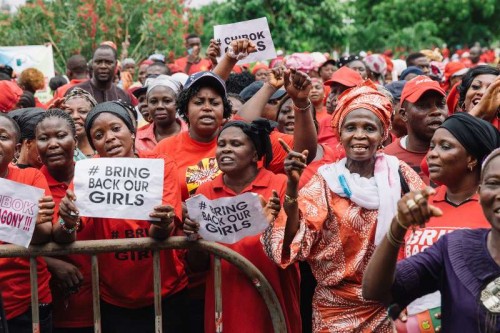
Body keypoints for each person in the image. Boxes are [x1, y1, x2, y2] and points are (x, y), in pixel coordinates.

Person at [262, 81, 425, 332]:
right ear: (340, 133)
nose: (359, 135)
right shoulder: (326, 182)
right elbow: (292, 244)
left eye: (369, 128)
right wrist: (292, 189)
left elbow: (425, 234)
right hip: (335, 311)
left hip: (393, 307)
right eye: (351, 127)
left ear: (383, 134)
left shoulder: (401, 175)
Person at [56, 101, 188, 332]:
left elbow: (160, 233)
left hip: (167, 292)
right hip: (114, 299)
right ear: (94, 144)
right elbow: (68, 233)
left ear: (132, 130)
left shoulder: (161, 165)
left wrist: (163, 222)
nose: (109, 138)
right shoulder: (89, 172)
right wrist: (67, 221)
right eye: (99, 134)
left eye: (116, 129)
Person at [362, 147, 500, 332]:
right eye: (493, 183)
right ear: (481, 193)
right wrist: (398, 227)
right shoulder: (455, 248)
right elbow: (375, 290)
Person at [183, 120, 301, 333]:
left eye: (236, 144)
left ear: (255, 155)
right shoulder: (204, 192)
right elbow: (198, 264)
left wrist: (278, 217)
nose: (226, 149)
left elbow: (293, 242)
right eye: (222, 144)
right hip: (224, 299)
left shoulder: (280, 185)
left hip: (271, 293)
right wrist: (192, 238)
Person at [396, 112, 500, 332]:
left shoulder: (492, 209)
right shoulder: (421, 204)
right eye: (432, 146)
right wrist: (399, 303)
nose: (431, 155)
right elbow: (399, 268)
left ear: (471, 159)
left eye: (444, 146)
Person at [34, 109, 94, 333]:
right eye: (43, 138)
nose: (52, 144)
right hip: (54, 309)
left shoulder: (96, 178)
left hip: (105, 302)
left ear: (75, 141)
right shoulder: (29, 185)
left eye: (60, 136)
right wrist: (49, 262)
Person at [0, 113, 55, 333]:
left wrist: (31, 223)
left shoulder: (31, 178)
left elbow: (43, 234)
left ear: (16, 148)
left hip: (28, 301)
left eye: (2, 136)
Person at [384, 76, 447, 185]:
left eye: (440, 104)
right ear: (404, 114)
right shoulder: (386, 159)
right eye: (423, 106)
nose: (436, 111)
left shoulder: (459, 154)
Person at [135, 75, 187, 151]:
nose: (159, 106)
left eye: (167, 101)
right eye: (153, 101)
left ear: (177, 103)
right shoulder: (137, 139)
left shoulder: (192, 135)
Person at [60, 88, 98, 159]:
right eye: (69, 113)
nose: (75, 116)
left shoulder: (104, 148)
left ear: (94, 114)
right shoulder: (60, 154)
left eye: (82, 111)